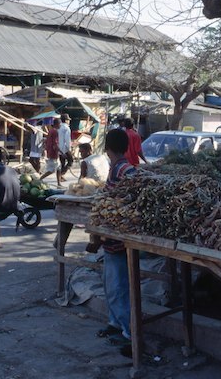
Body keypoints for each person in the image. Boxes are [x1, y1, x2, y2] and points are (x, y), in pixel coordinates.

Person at [92, 129, 136, 349]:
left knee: (118, 287)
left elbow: (130, 200)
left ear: (107, 148)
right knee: (110, 284)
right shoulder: (115, 168)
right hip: (110, 240)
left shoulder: (126, 170)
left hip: (119, 241)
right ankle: (115, 323)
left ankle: (129, 331)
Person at [40, 118, 62, 187]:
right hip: (53, 153)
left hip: (50, 151)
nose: (60, 125)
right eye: (60, 124)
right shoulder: (55, 132)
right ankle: (40, 178)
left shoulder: (50, 131)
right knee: (52, 170)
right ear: (57, 124)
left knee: (59, 168)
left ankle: (59, 183)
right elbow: (55, 144)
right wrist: (61, 152)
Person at [58, 113, 73, 180]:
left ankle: (60, 176)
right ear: (66, 120)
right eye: (68, 120)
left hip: (58, 148)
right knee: (70, 161)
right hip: (65, 148)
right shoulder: (66, 128)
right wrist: (69, 148)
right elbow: (67, 140)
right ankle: (62, 174)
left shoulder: (58, 127)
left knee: (62, 162)